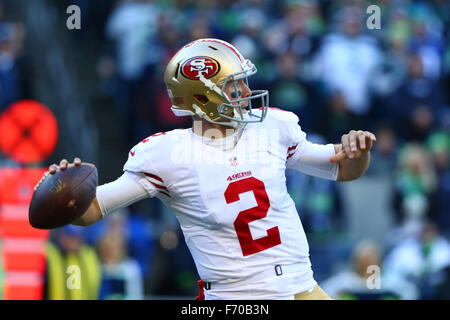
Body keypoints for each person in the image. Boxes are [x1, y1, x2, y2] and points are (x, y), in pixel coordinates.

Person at [38, 38, 376, 300]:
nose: (246, 92)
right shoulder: (167, 154)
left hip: (301, 286)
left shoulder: (273, 126)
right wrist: (61, 191)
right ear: (202, 98)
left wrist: (358, 150)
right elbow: (92, 210)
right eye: (234, 86)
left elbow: (343, 170)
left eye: (244, 82)